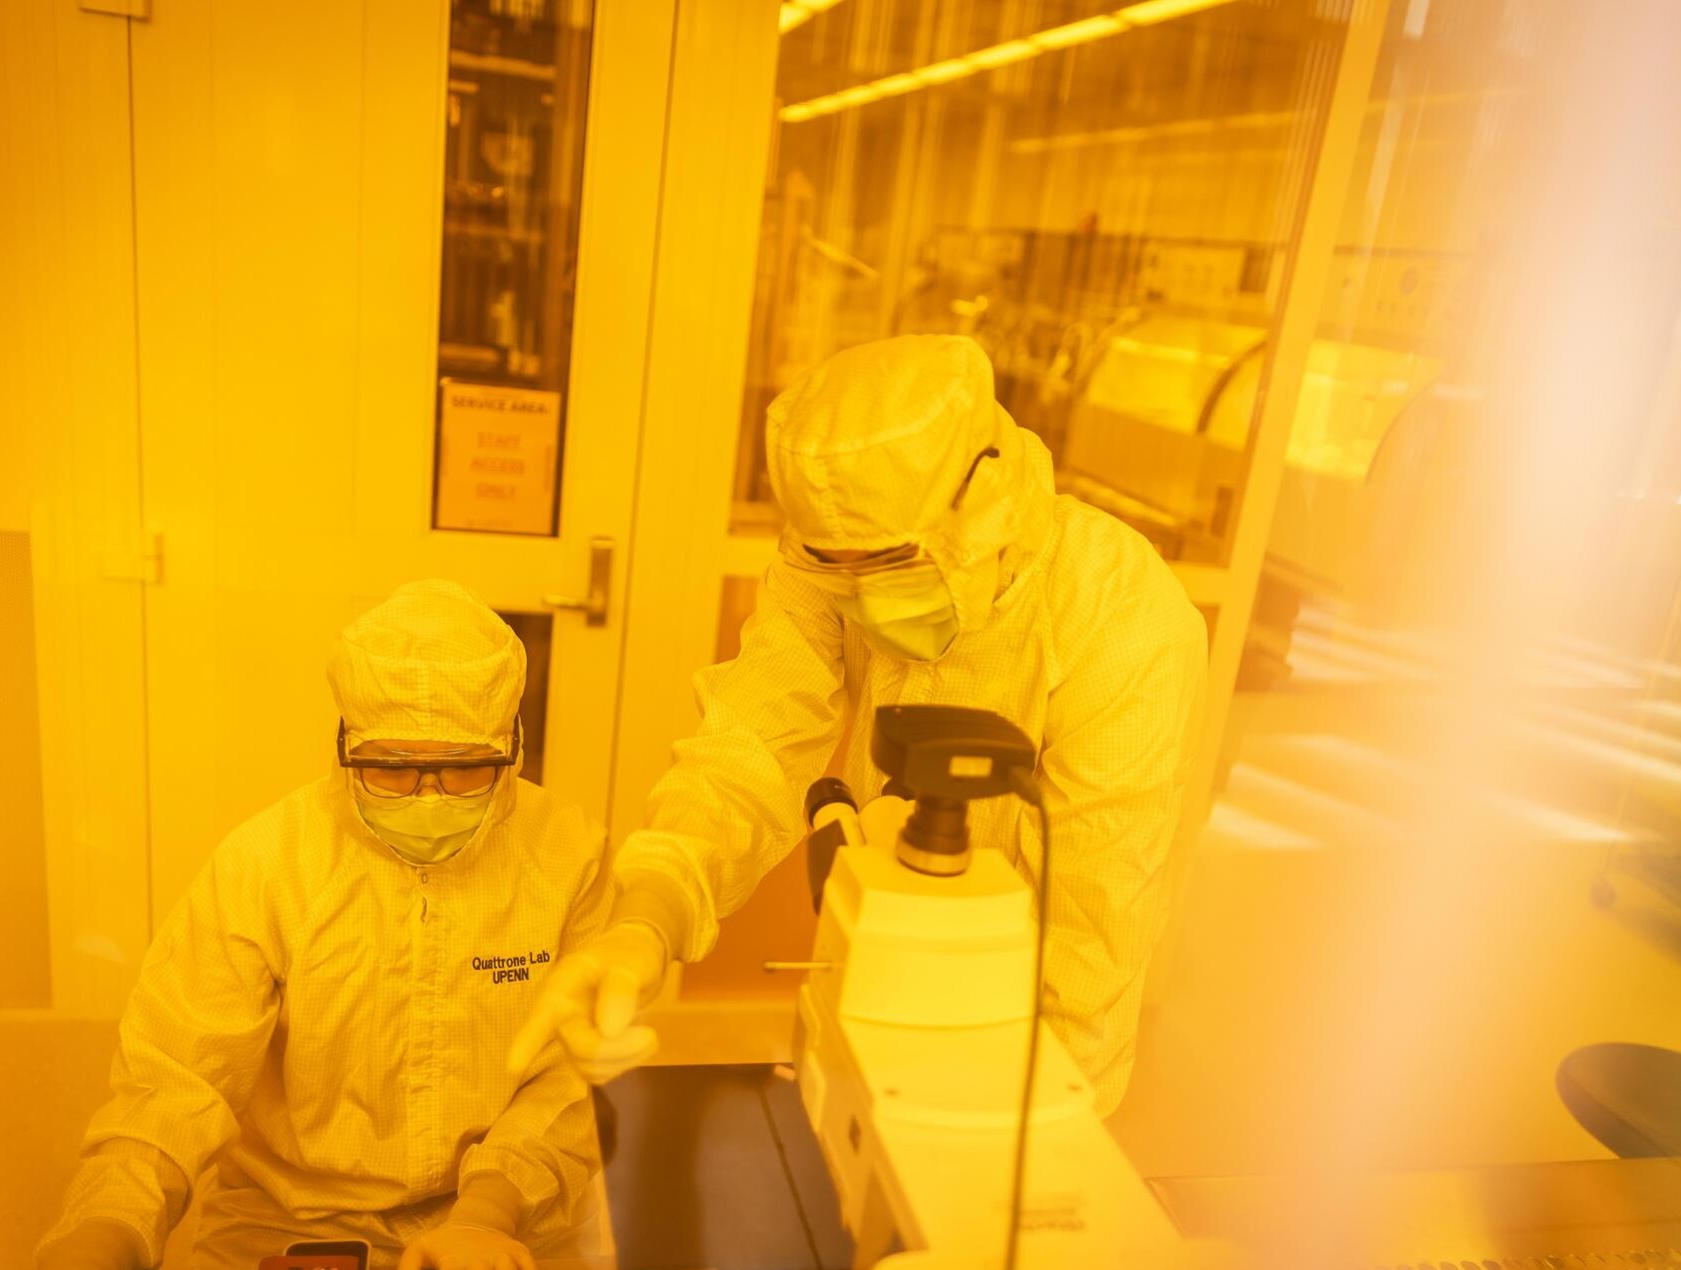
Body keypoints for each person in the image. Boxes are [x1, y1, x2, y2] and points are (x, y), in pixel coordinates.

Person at [510, 335, 1207, 1117]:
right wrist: (649, 916)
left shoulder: (1120, 619)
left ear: (979, 501)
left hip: (1025, 1040)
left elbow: (1089, 939)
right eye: (839, 571)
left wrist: (1029, 1142)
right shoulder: (832, 547)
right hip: (874, 956)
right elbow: (754, 741)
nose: (864, 600)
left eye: (890, 567)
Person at [29, 580, 608, 1270]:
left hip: (512, 1221)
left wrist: (487, 1212)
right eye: (391, 768)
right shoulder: (268, 864)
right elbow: (174, 1084)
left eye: (466, 767)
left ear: (514, 746)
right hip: (288, 1220)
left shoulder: (570, 858)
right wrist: (89, 1252)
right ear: (343, 743)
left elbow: (573, 1080)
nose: (428, 797)